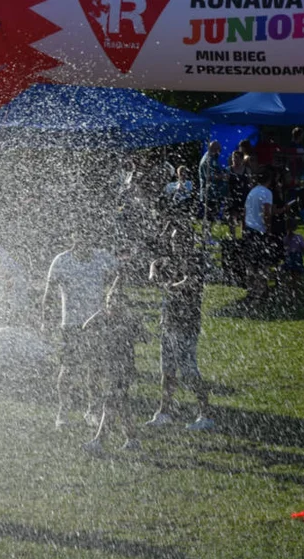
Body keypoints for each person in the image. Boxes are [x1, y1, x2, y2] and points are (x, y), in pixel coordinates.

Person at [41, 236, 119, 428]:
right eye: (77, 240)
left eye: (84, 239)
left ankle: (92, 411)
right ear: (72, 241)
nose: (80, 244)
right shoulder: (61, 260)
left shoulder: (103, 257)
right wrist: (46, 321)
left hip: (97, 323)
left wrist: (114, 292)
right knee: (68, 369)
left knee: (95, 369)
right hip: (72, 324)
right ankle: (63, 412)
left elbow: (122, 273)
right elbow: (49, 292)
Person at [146, 231, 214, 431]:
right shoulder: (170, 261)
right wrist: (153, 274)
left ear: (189, 241)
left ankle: (206, 414)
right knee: (167, 371)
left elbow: (190, 282)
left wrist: (168, 286)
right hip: (168, 323)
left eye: (180, 240)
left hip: (186, 324)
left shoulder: (195, 261)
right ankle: (164, 412)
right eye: (174, 240)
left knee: (189, 371)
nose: (176, 244)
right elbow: (154, 265)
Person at [81, 275, 149, 454]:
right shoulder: (103, 318)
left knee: (110, 403)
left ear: (123, 305)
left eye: (116, 302)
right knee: (123, 406)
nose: (112, 304)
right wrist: (101, 312)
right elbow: (85, 327)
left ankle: (98, 442)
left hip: (124, 370)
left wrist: (132, 328)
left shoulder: (128, 320)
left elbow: (146, 338)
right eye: (109, 301)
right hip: (111, 369)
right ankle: (133, 440)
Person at [242, 168, 275, 303]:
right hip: (259, 231)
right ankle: (260, 292)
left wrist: (243, 229)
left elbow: (245, 211)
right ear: (269, 180)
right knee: (262, 264)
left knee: (251, 264)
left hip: (249, 229)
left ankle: (251, 291)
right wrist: (268, 229)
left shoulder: (252, 191)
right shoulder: (267, 193)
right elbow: (267, 211)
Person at [222, 150, 251, 285]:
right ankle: (233, 236)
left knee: (244, 217)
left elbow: (250, 183)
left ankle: (244, 236)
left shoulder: (246, 170)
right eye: (233, 157)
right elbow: (224, 181)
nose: (235, 160)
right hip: (232, 196)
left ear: (241, 159)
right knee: (232, 217)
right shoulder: (229, 170)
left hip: (244, 196)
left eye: (237, 158)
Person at [198, 140, 226, 222]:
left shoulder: (212, 158)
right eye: (219, 150)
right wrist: (223, 176)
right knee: (209, 218)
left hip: (213, 194)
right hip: (208, 194)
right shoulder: (208, 160)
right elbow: (209, 176)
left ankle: (209, 232)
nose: (220, 153)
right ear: (215, 149)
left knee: (212, 217)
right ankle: (206, 233)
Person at [282, 215, 304, 287]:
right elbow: (303, 246)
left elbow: (284, 246)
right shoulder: (299, 237)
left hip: (289, 256)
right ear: (296, 227)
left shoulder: (286, 238)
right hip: (297, 256)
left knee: (291, 271)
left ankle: (291, 283)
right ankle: (296, 284)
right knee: (297, 271)